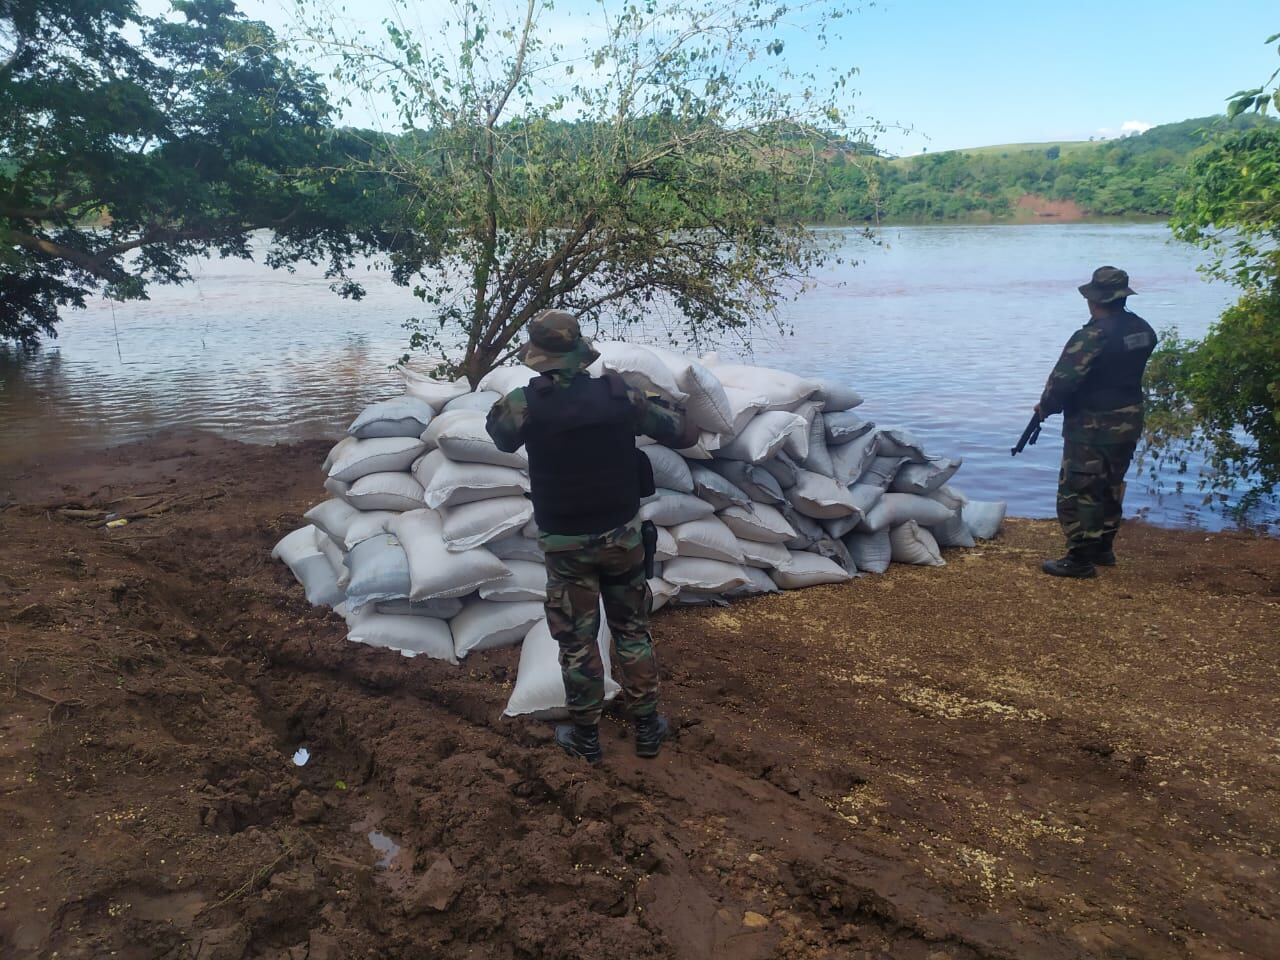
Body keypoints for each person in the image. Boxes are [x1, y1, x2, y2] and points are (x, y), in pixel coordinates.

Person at [485, 310, 698, 764]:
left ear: (539, 356)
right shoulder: (621, 396)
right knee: (632, 630)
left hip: (566, 545)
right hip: (622, 537)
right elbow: (683, 433)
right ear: (580, 351)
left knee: (578, 641)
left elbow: (499, 438)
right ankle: (646, 729)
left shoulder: (525, 403)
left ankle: (586, 738)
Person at [1034, 266, 1157, 579]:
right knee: (1110, 485)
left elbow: (1062, 381)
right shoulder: (1142, 329)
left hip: (1092, 426)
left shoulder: (1092, 336)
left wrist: (1045, 408)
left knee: (1080, 489)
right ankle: (1103, 547)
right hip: (1129, 420)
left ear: (1095, 300)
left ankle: (1079, 558)